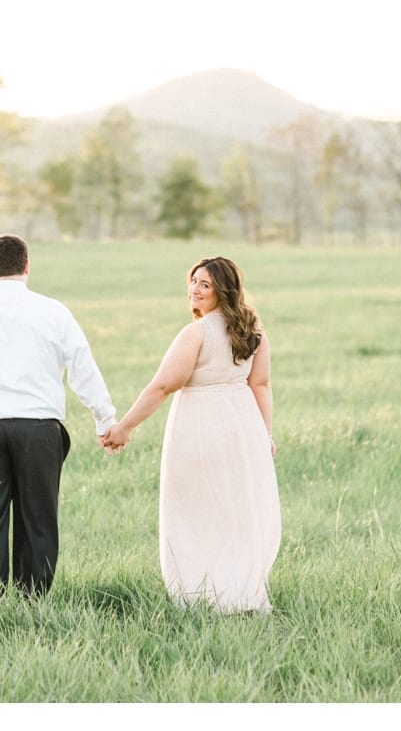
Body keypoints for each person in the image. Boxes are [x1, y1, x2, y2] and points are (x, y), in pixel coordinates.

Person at [0, 233, 119, 596]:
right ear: (27, 266)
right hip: (38, 428)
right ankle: (33, 600)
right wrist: (104, 419)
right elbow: (83, 367)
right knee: (38, 519)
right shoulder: (53, 311)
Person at [103, 256, 281, 613]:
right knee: (234, 509)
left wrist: (124, 427)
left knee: (196, 510)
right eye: (193, 282)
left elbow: (164, 385)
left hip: (201, 427)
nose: (194, 290)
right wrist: (263, 435)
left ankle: (202, 594)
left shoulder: (196, 333)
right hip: (241, 424)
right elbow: (258, 385)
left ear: (223, 291)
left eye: (205, 285)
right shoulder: (252, 328)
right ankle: (238, 592)